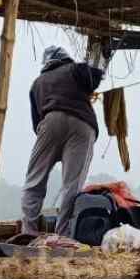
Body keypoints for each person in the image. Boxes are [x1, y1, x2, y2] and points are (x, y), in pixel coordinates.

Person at [23, 45, 106, 237]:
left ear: (46, 63)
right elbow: (95, 77)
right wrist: (102, 55)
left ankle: (28, 231)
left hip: (50, 122)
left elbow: (36, 123)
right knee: (72, 185)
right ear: (65, 58)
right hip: (82, 125)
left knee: (34, 180)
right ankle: (62, 234)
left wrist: (51, 142)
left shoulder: (37, 83)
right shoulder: (75, 69)